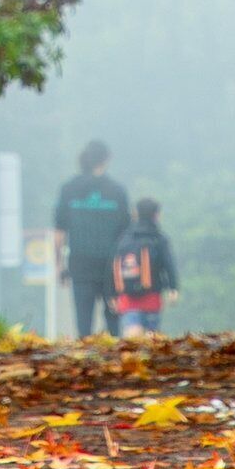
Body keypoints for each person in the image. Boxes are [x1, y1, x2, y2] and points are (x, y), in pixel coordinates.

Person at [52, 142, 130, 338]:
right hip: (111, 268)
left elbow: (59, 234)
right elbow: (126, 234)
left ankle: (85, 365)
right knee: (114, 324)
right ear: (107, 160)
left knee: (83, 325)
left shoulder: (68, 189)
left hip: (80, 266)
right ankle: (116, 364)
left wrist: (59, 266)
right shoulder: (118, 191)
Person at [109, 199, 178, 335]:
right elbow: (168, 264)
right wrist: (173, 288)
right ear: (157, 215)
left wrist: (111, 293)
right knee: (151, 334)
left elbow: (112, 265)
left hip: (127, 297)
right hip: (152, 295)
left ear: (135, 214)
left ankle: (132, 354)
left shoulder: (124, 238)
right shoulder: (159, 238)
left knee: (132, 329)